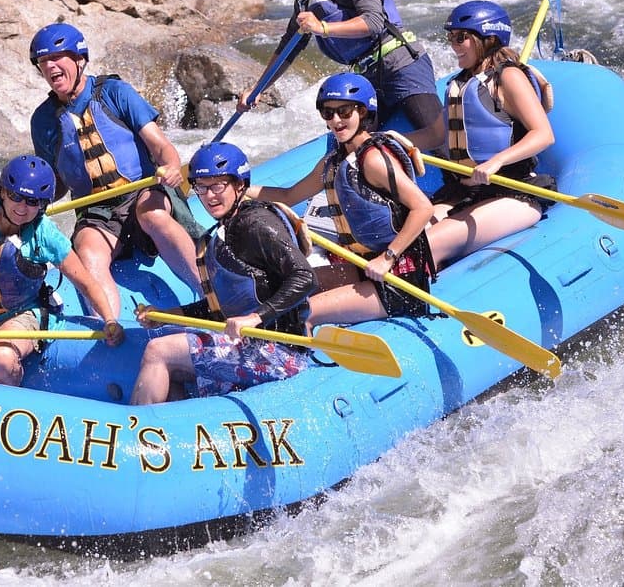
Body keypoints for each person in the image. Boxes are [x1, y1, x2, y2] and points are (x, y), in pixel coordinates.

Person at [28, 22, 202, 318]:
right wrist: (28, 200)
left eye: (58, 58)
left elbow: (160, 145)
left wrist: (171, 166)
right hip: (96, 212)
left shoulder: (114, 93)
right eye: (44, 61)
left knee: (153, 214)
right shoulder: (43, 121)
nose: (50, 67)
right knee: (87, 250)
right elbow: (57, 185)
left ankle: (209, 296)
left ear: (79, 60)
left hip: (141, 194)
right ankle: (110, 325)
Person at [238, 0, 444, 150]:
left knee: (437, 137)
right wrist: (258, 88)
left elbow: (373, 21)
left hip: (401, 65)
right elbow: (288, 48)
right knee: (359, 152)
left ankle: (467, 187)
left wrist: (322, 27)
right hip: (368, 77)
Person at [130, 142, 317, 404]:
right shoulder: (219, 235)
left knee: (157, 352)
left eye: (218, 186)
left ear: (239, 185)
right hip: (247, 344)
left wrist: (255, 317)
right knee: (168, 358)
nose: (209, 196)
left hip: (280, 353)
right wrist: (165, 316)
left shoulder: (258, 224)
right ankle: (168, 431)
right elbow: (220, 308)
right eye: (202, 187)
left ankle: (138, 429)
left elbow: (305, 277)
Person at [247, 73, 434, 325]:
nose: (336, 120)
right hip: (362, 267)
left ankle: (297, 363)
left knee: (301, 311)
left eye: (344, 111)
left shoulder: (374, 160)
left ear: (363, 112)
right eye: (328, 113)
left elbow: (423, 207)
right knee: (282, 288)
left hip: (399, 279)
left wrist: (387, 257)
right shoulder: (333, 162)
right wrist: (240, 187)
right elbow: (288, 196)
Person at [0, 155, 124, 386]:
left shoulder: (45, 234)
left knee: (1, 360)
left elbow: (86, 283)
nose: (22, 207)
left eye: (32, 202)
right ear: (2, 192)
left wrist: (109, 319)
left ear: (43, 205)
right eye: (16, 196)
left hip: (18, 314)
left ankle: (12, 390)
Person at [425, 0, 556, 269]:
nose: (454, 45)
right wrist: (388, 140)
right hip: (468, 193)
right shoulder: (460, 84)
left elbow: (543, 134)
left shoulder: (508, 76)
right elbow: (434, 135)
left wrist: (497, 161)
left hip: (514, 193)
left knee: (426, 245)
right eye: (450, 38)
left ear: (489, 38)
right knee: (406, 235)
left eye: (461, 37)